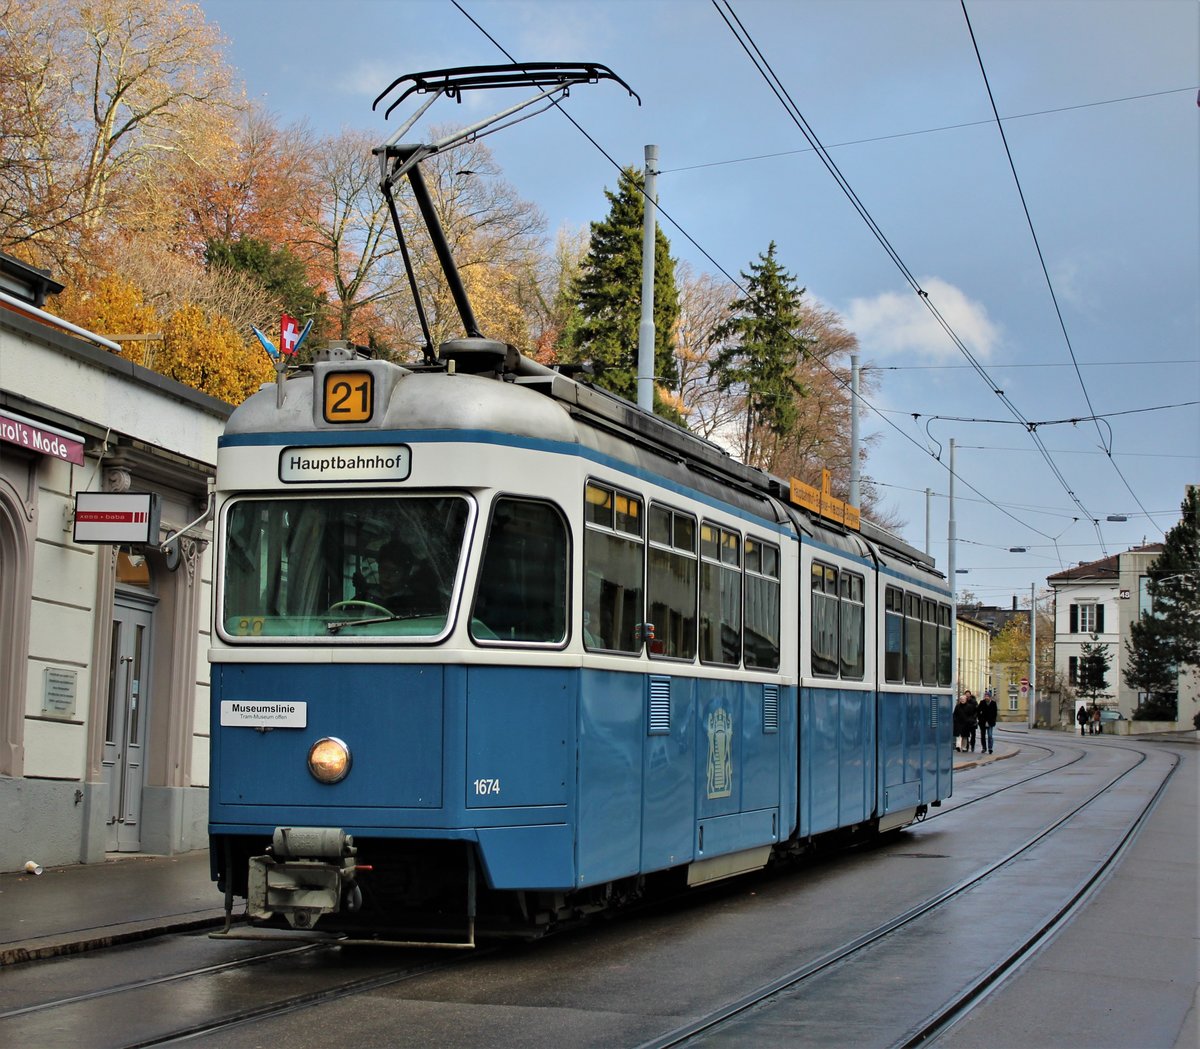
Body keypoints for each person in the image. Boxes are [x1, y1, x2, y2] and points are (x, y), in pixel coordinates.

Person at [977, 690, 998, 754]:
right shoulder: (982, 702)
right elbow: (978, 711)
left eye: (987, 696)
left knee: (990, 735)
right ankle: (984, 748)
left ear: (990, 697)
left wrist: (992, 720)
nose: (986, 697)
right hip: (982, 722)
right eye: (985, 696)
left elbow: (995, 713)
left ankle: (990, 748)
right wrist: (980, 718)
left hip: (990, 722)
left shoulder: (993, 703)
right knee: (982, 735)